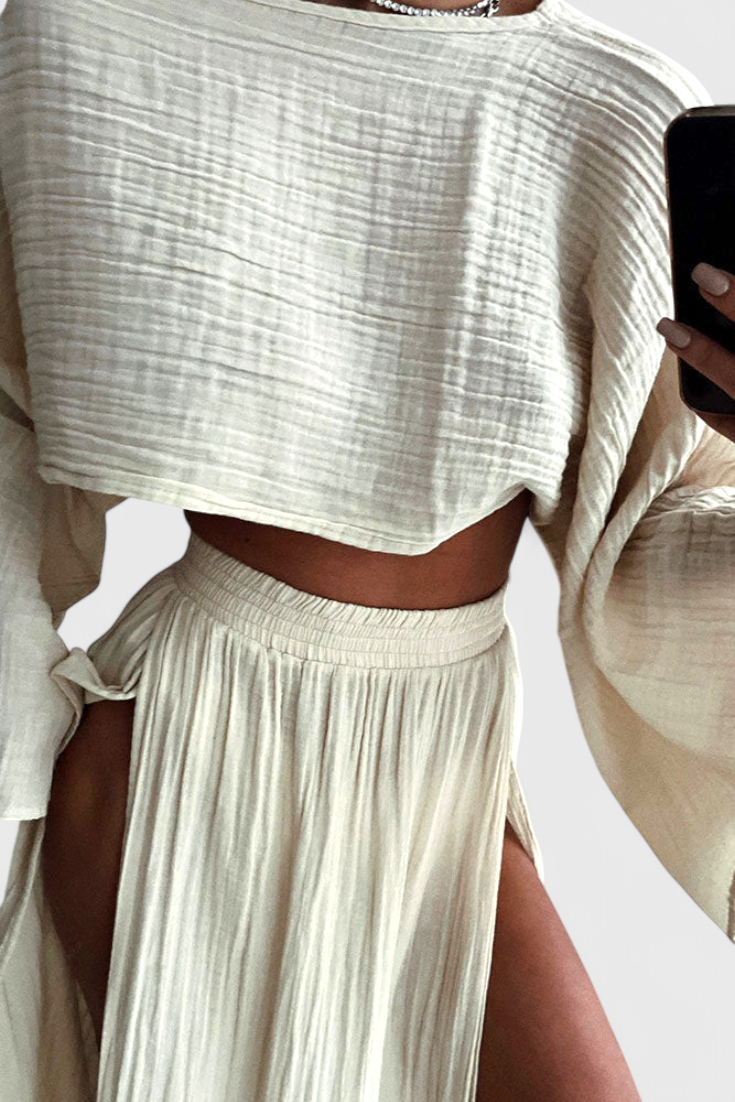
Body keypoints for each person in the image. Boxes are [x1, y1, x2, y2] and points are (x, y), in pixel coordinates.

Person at [0, 0, 732, 1098]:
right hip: (181, 744)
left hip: (441, 766)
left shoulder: (618, 109)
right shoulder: (99, 32)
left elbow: (653, 526)